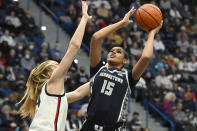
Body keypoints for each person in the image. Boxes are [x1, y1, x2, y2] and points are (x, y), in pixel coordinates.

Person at [67, 6, 163, 131]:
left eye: (118, 51)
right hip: (89, 126)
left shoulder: (129, 77)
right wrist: (122, 23)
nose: (113, 52)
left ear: (125, 60)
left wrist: (152, 34)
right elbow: (96, 38)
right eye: (111, 51)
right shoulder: (99, 69)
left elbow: (146, 57)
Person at [18, 1, 92, 131]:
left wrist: (105, 73)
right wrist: (84, 18)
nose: (61, 67)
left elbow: (79, 92)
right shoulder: (52, 83)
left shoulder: (54, 95)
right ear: (49, 74)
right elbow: (74, 47)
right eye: (56, 66)